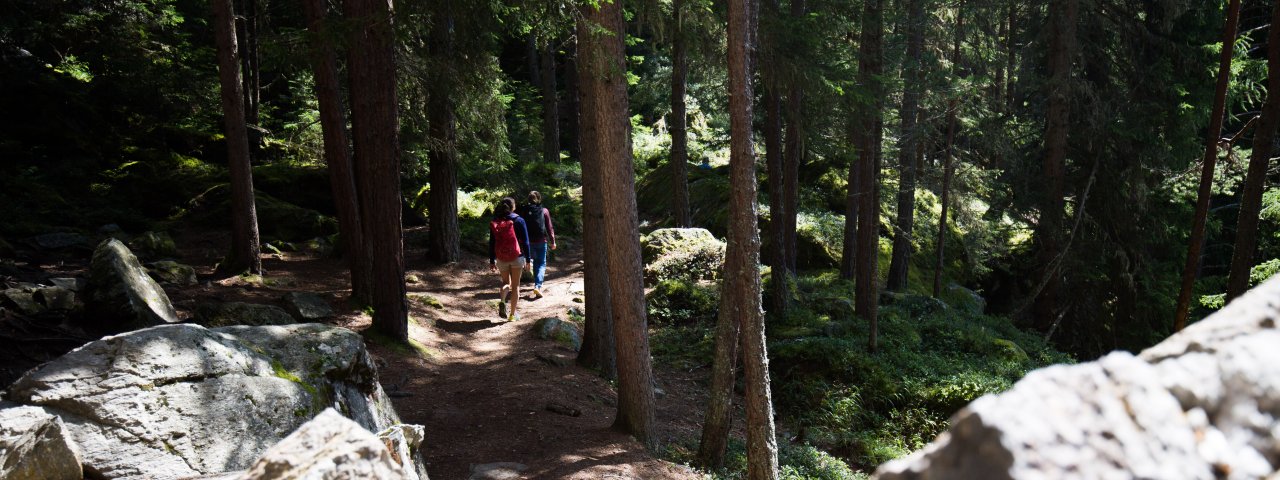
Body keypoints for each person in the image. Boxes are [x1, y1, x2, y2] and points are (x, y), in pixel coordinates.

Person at [489, 197, 533, 321]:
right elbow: (525, 242)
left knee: (505, 283)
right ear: (513, 207)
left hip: (501, 257)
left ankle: (502, 300)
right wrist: (528, 259)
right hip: (517, 257)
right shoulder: (519, 220)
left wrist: (492, 260)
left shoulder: (495, 221)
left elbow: (492, 242)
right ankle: (513, 315)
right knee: (516, 286)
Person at [519, 191, 557, 298]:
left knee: (532, 261)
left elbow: (520, 226)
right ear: (539, 199)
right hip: (541, 241)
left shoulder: (524, 211)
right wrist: (553, 241)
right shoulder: (544, 211)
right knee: (540, 264)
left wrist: (519, 241)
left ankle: (516, 283)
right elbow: (549, 228)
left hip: (527, 242)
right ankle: (537, 286)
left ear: (528, 199)